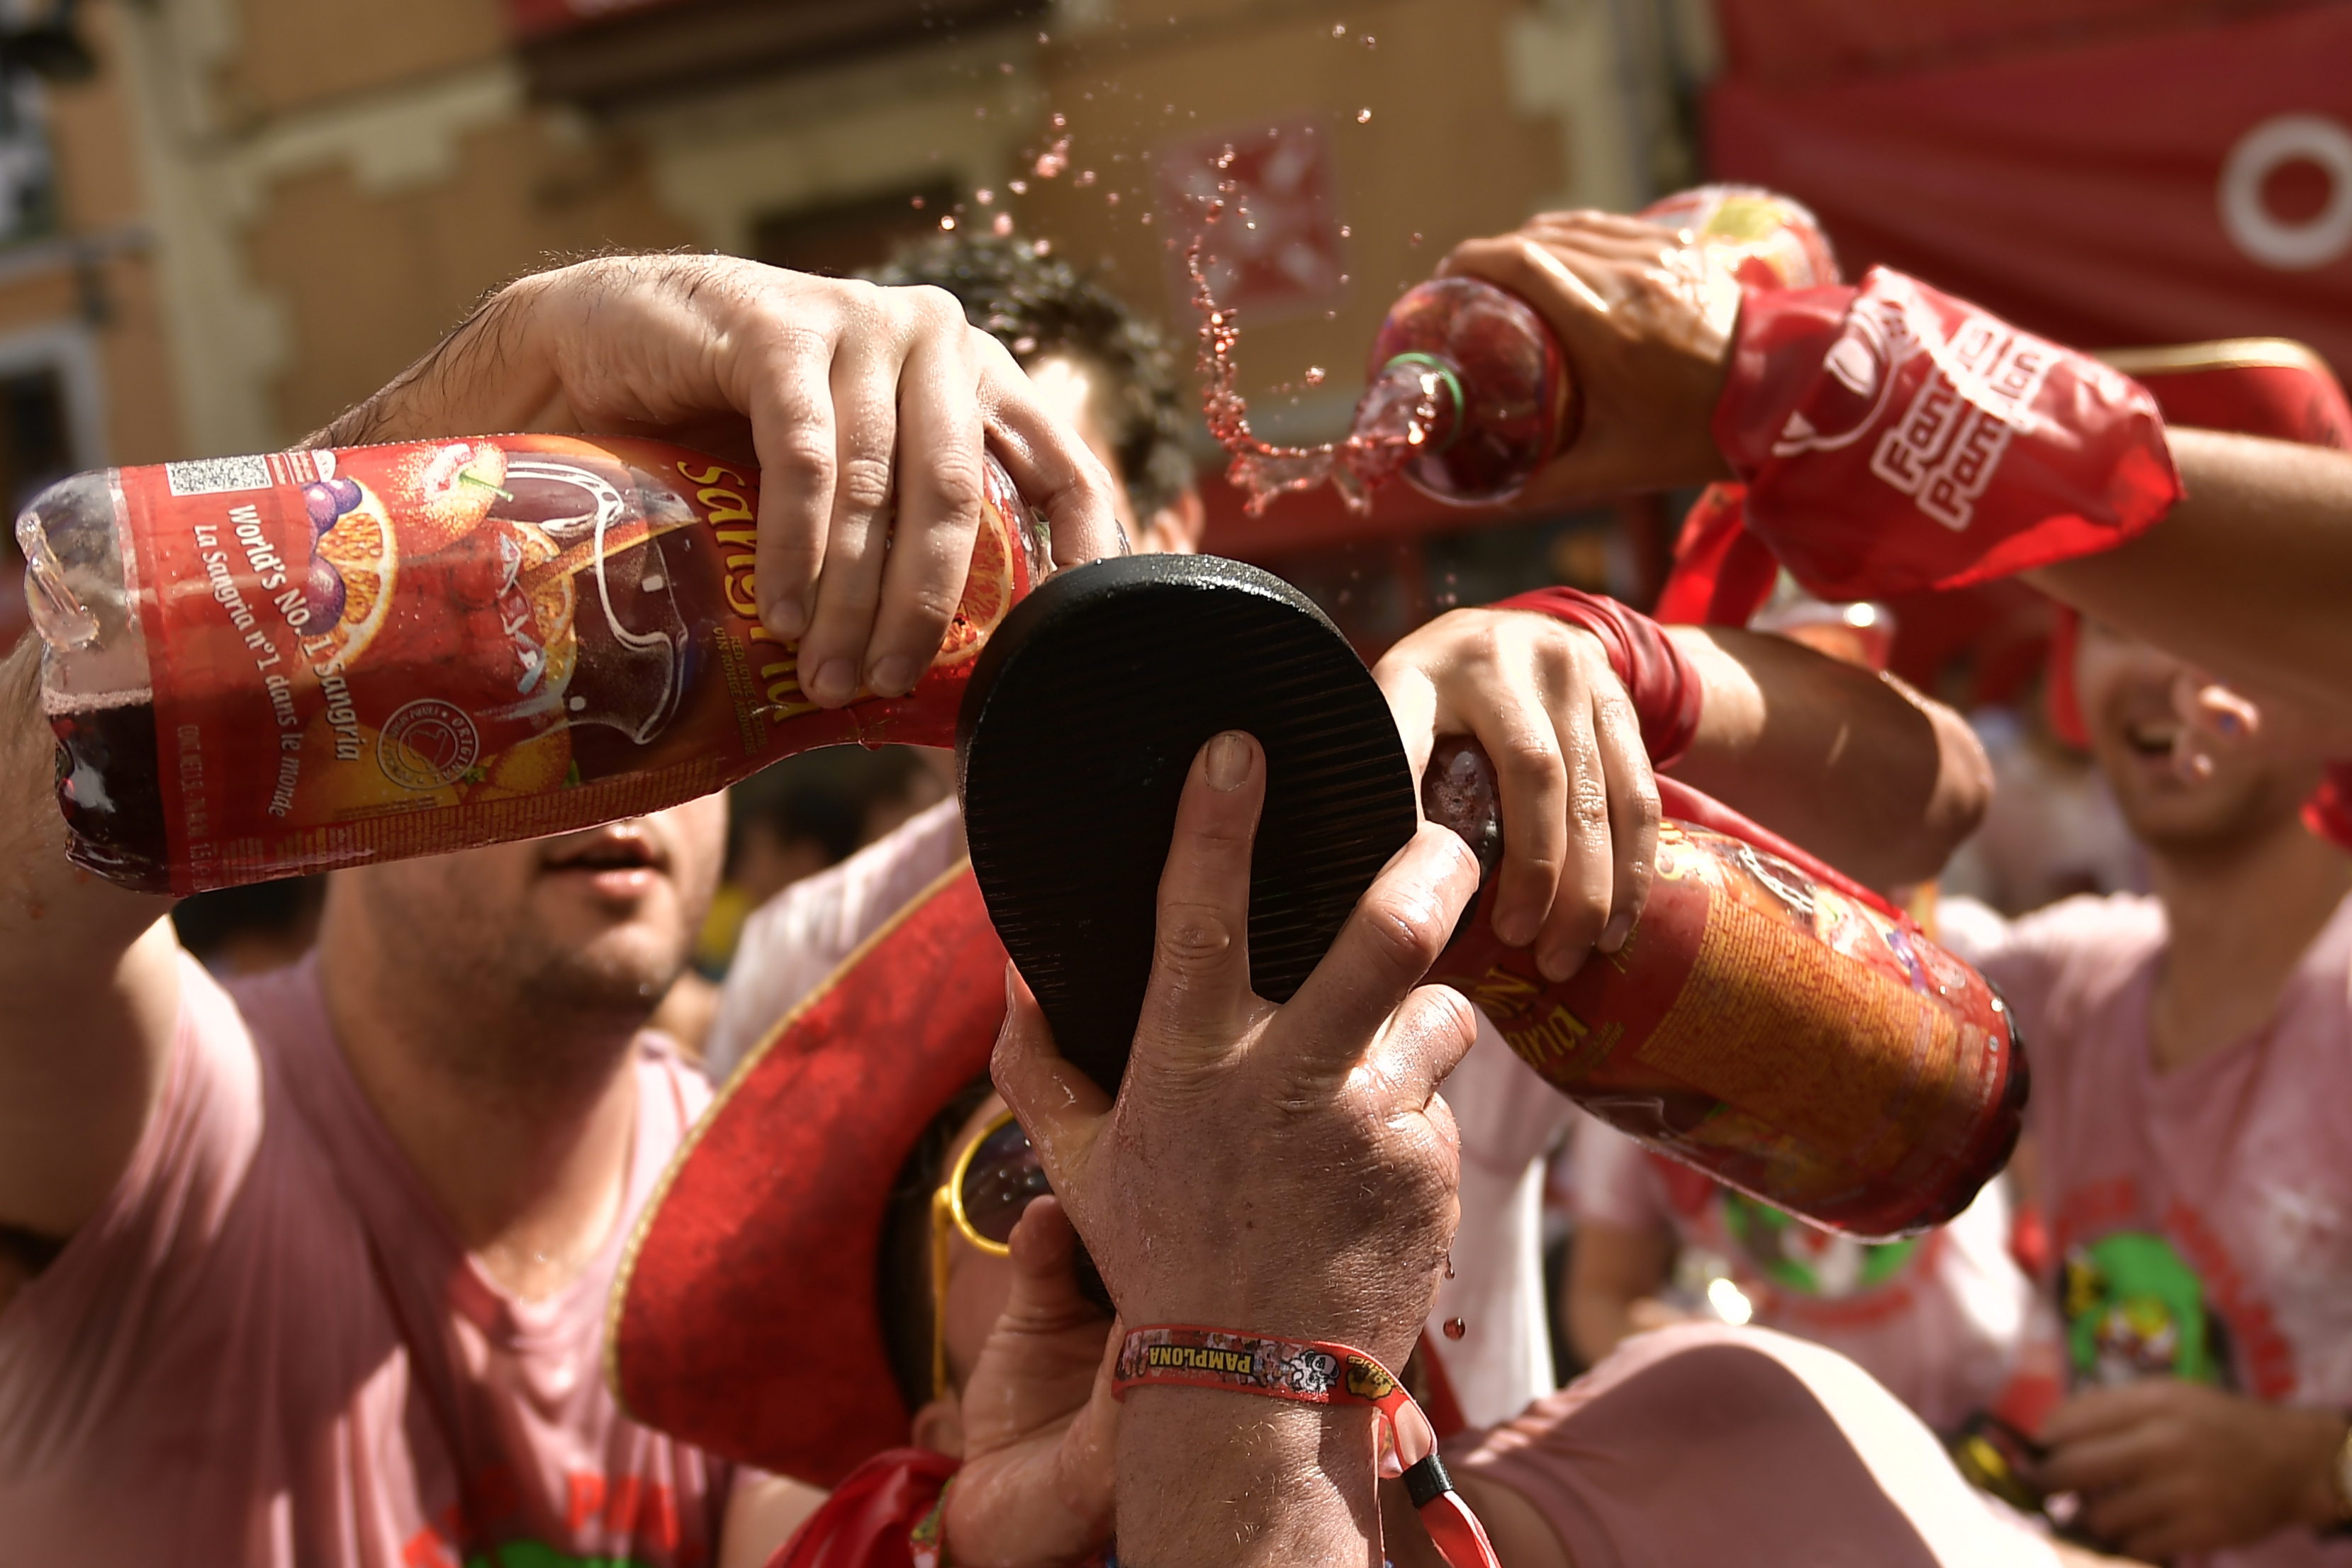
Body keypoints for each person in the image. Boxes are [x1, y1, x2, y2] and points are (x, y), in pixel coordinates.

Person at [0, 251, 1177, 1567]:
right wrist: (518, 358)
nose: (612, 762)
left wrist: (967, 1538)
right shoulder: (175, 1121)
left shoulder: (742, 1220)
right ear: (349, 731)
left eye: (675, 678)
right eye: (526, 677)